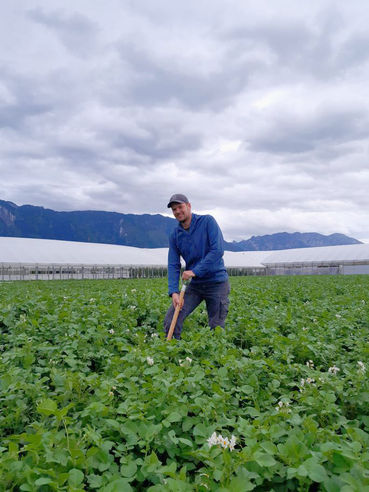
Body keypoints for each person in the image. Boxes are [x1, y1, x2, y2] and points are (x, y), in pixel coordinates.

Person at [164, 193, 230, 339]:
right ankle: (173, 356)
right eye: (174, 209)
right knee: (171, 321)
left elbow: (217, 250)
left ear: (189, 206)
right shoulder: (175, 235)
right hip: (194, 286)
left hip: (216, 283)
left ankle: (217, 358)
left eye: (180, 207)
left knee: (216, 328)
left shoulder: (207, 222)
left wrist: (195, 271)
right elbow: (173, 264)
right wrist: (173, 291)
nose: (177, 211)